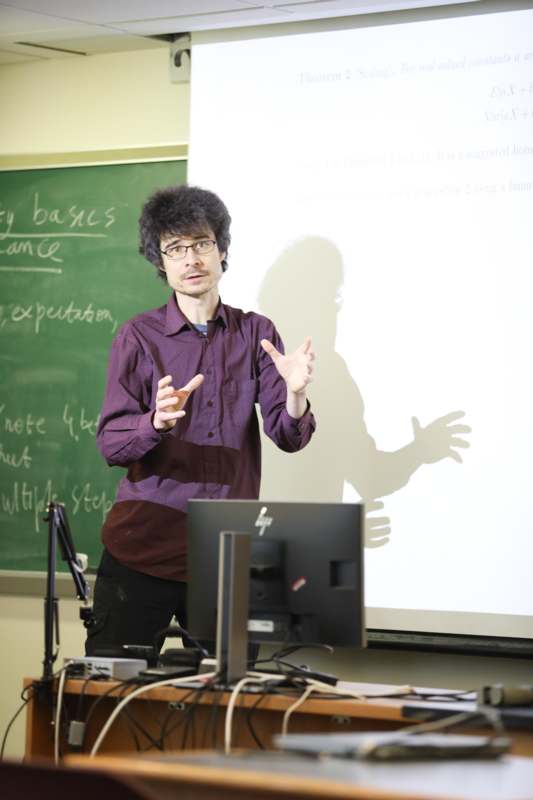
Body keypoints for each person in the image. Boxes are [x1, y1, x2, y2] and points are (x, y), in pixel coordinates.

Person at [85, 185, 316, 657]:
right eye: (176, 248)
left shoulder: (257, 333)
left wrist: (295, 395)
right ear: (161, 263)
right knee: (112, 703)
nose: (191, 258)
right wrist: (156, 424)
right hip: (143, 548)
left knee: (227, 710)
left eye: (202, 244)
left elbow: (288, 436)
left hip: (226, 559)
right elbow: (111, 443)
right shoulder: (138, 336)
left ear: (222, 250)